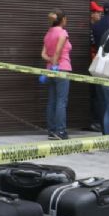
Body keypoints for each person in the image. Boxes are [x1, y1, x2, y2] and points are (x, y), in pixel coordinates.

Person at [42, 9, 72, 140]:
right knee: (61, 101)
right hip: (62, 69)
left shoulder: (48, 33)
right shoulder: (63, 32)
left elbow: (42, 54)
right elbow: (58, 51)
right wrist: (55, 64)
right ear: (63, 19)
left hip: (50, 70)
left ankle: (51, 131)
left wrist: (51, 63)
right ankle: (60, 132)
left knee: (52, 101)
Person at [87, 0, 107, 133]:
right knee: (97, 94)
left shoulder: (98, 27)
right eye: (96, 12)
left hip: (98, 63)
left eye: (100, 12)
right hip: (94, 64)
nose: (99, 14)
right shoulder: (92, 28)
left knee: (100, 94)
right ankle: (96, 121)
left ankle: (99, 120)